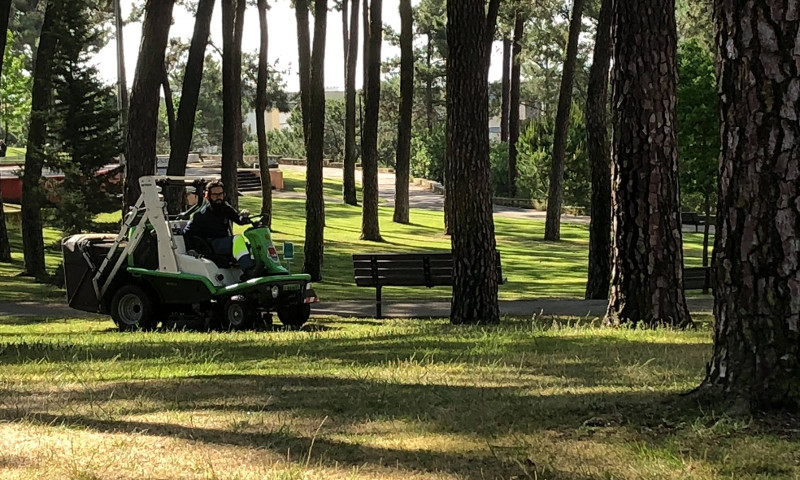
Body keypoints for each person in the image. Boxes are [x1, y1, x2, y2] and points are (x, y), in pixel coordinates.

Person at [183, 181, 263, 280]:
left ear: (224, 194)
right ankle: (248, 271)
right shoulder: (202, 215)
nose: (218, 197)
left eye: (220, 194)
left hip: (223, 243)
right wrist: (190, 249)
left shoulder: (225, 208)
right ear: (208, 196)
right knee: (237, 239)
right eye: (215, 195)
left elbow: (238, 219)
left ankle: (260, 268)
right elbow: (187, 231)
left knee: (249, 245)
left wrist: (244, 216)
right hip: (211, 245)